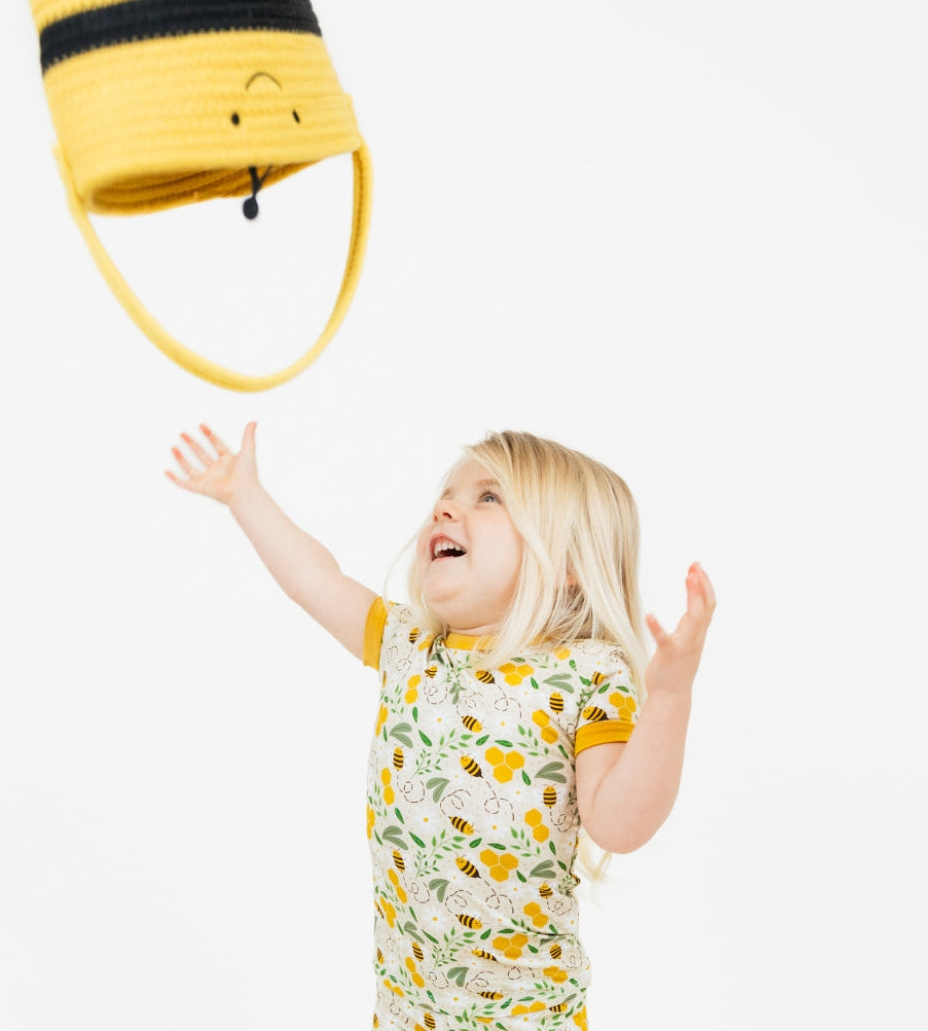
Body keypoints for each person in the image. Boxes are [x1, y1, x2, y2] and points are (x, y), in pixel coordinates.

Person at [166, 423, 716, 1030]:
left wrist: (668, 699)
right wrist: (246, 496)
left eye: (489, 497)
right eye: (448, 493)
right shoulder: (409, 645)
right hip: (405, 1017)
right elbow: (314, 579)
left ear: (566, 561)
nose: (444, 507)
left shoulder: (584, 674)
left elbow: (620, 823)